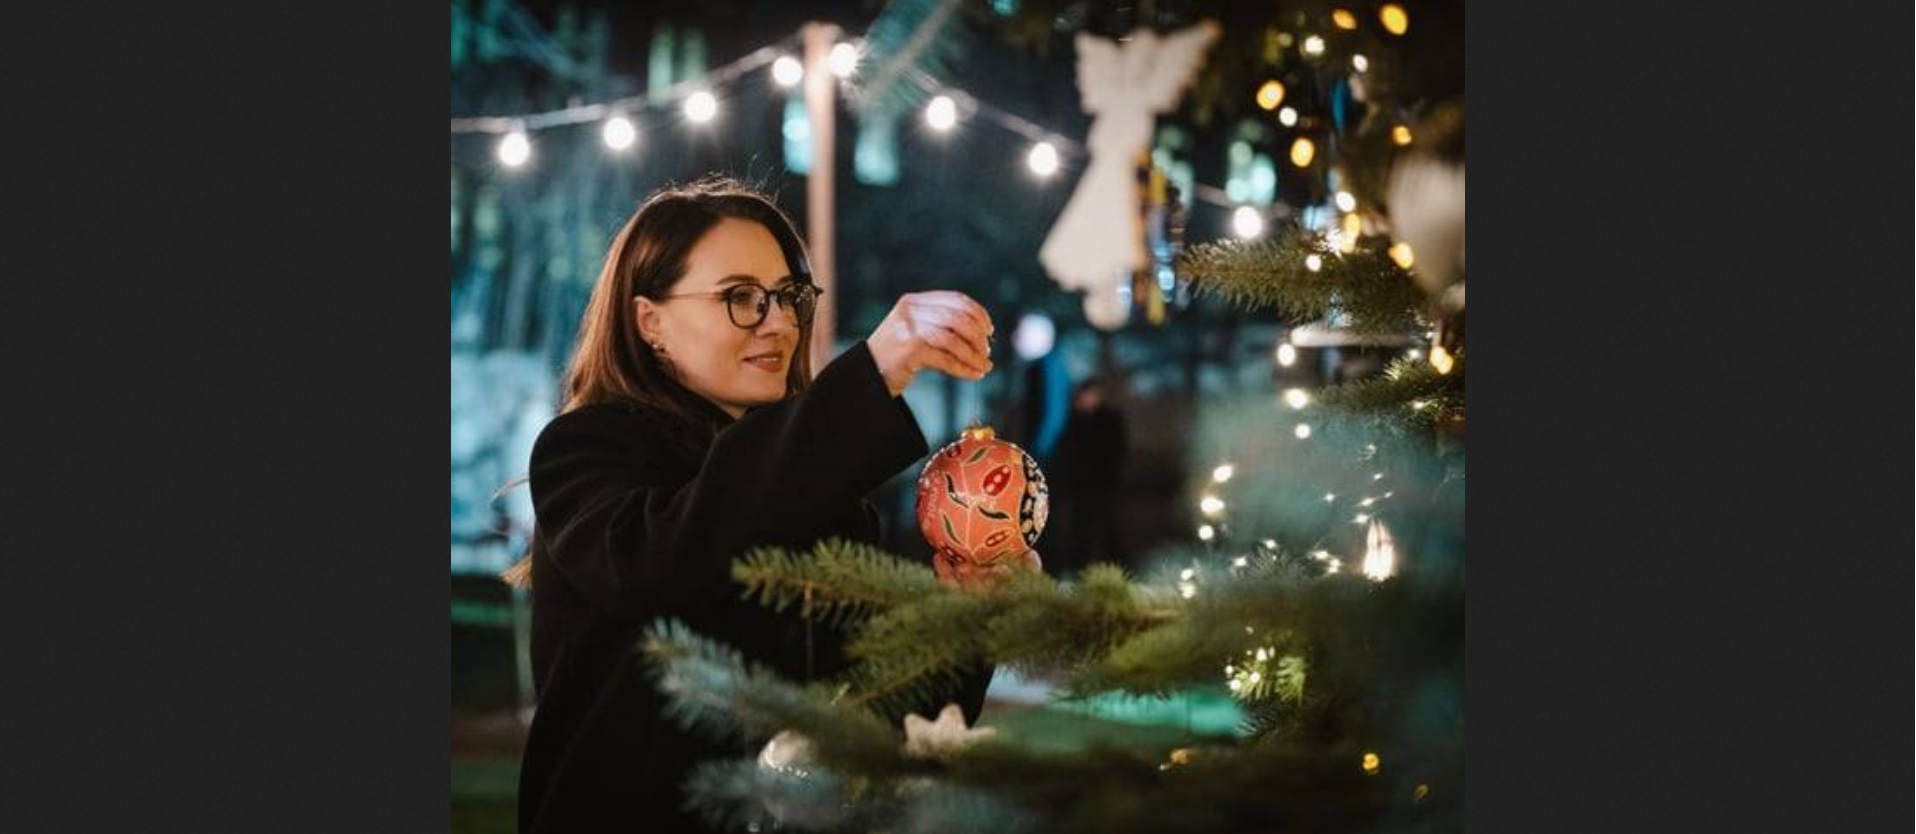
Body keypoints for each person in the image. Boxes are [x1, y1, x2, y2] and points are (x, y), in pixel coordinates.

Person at [505, 177, 996, 833]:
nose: (781, 322)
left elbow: (882, 720)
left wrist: (971, 619)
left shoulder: (825, 502)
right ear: (649, 320)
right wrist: (872, 373)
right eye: (740, 297)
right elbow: (665, 562)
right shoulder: (585, 451)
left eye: (791, 297)